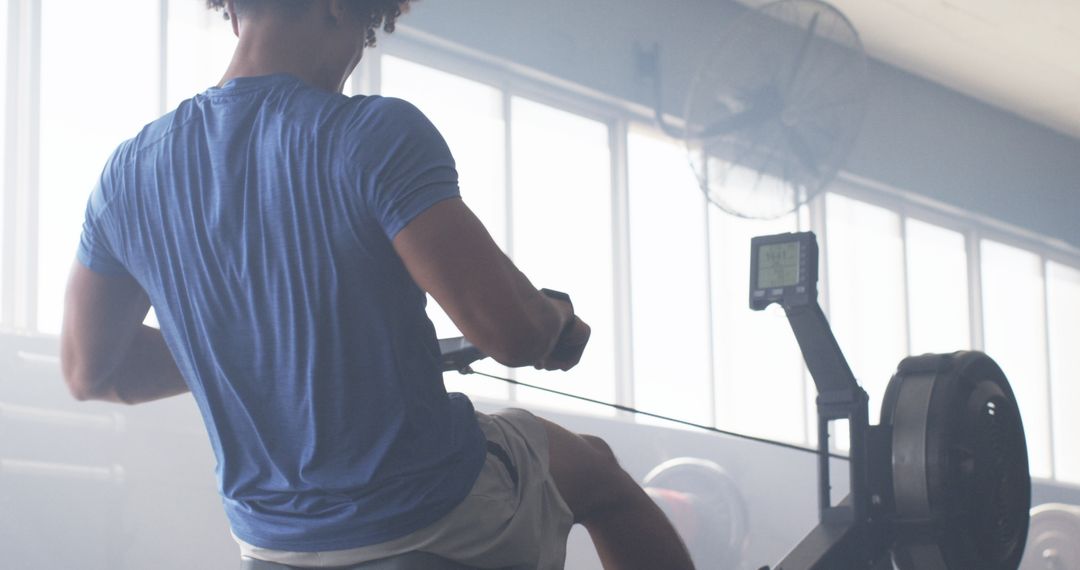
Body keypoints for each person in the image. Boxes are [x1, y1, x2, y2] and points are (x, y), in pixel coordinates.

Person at [60, 1, 694, 568]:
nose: (354, 59)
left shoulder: (128, 174)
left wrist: (258, 342)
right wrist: (555, 318)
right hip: (434, 511)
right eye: (366, 32)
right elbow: (513, 334)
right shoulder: (369, 132)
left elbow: (92, 373)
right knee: (600, 474)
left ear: (232, 11)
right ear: (340, 7)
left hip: (269, 543)